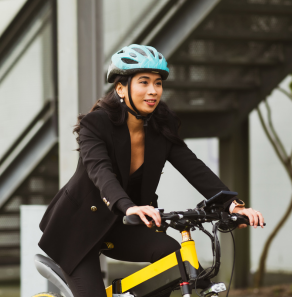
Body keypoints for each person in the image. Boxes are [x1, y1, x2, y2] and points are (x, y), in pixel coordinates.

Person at [38, 44, 264, 297]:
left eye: (158, 83)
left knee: (175, 261)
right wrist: (128, 205)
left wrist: (232, 204)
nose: (153, 91)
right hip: (78, 229)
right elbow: (100, 171)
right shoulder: (96, 124)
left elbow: (193, 166)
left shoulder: (161, 126)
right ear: (121, 88)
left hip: (121, 226)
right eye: (144, 82)